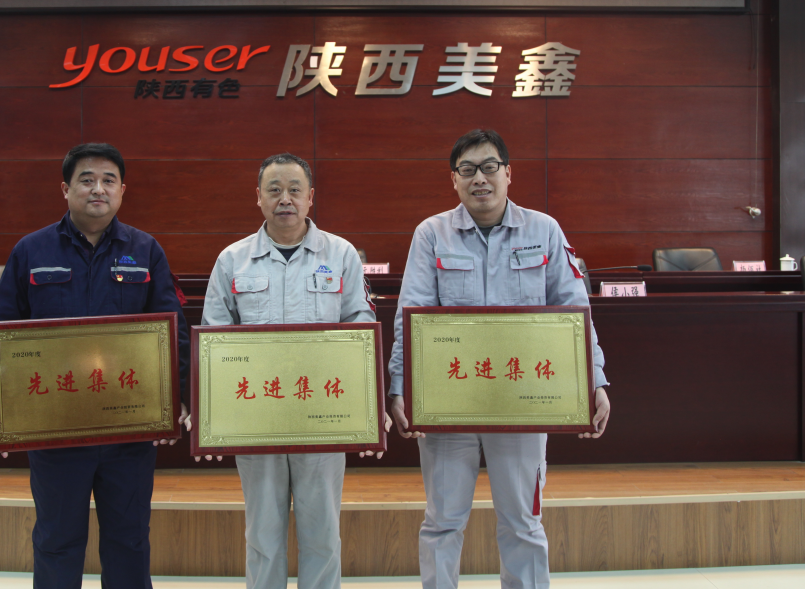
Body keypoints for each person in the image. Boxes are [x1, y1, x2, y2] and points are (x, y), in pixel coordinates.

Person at [388, 129, 611, 589]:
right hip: (448, 403)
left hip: (523, 400)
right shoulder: (431, 234)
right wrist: (400, 386)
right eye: (467, 170)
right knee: (442, 521)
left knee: (523, 522)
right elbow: (410, 316)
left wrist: (595, 379)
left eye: (489, 167)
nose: (480, 179)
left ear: (508, 173)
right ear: (454, 179)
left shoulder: (544, 230)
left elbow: (574, 311)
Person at [0, 142, 190, 589]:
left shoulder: (145, 250)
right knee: (57, 539)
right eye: (87, 180)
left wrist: (180, 397)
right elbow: (0, 333)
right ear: (66, 189)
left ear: (122, 190)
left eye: (109, 180)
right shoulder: (32, 250)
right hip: (56, 427)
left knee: (129, 540)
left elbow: (174, 332)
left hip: (129, 427)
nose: (98, 189)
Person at [201, 152, 388, 589]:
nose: (284, 199)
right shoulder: (232, 260)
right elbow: (213, 338)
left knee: (322, 534)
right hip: (256, 419)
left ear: (310, 197)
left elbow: (361, 331)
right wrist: (212, 416)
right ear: (259, 197)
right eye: (274, 190)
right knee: (263, 536)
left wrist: (368, 406)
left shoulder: (340, 255)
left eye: (294, 190)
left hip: (322, 416)